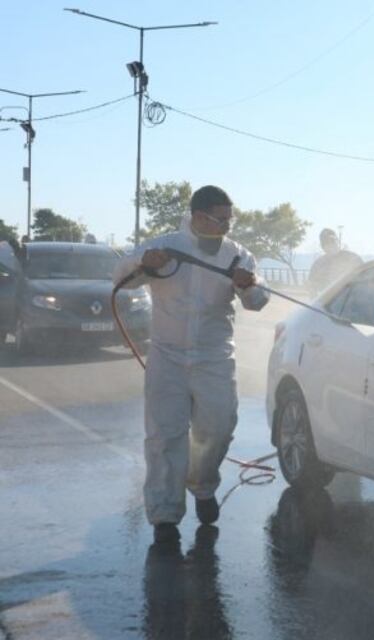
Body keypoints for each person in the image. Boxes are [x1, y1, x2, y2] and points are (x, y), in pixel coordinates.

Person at [113, 185, 269, 544]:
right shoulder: (166, 246)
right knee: (165, 434)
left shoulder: (238, 255)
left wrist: (249, 286)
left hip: (215, 357)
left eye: (231, 219)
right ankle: (165, 514)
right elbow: (120, 278)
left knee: (219, 425)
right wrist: (142, 264)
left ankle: (202, 484)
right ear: (198, 217)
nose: (227, 226)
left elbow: (257, 301)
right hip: (167, 356)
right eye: (220, 219)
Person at [307, 227, 362, 296]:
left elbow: (364, 278)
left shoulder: (353, 258)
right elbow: (312, 288)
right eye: (326, 242)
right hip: (327, 303)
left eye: (333, 241)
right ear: (322, 246)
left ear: (338, 241)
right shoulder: (318, 265)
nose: (330, 244)